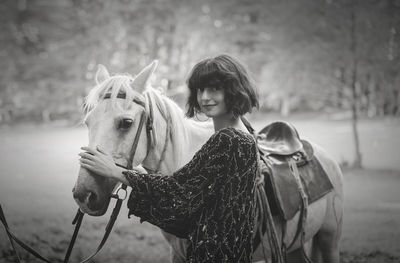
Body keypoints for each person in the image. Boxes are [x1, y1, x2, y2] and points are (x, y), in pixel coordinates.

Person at [79, 54, 260, 262]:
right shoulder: (237, 136)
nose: (205, 97)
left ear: (234, 90)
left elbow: (179, 194)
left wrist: (116, 172)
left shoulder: (230, 140)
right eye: (201, 89)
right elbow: (190, 188)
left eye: (214, 89)